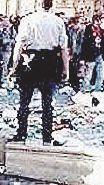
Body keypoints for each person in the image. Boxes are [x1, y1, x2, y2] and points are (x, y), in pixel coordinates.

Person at [9, 0, 68, 145]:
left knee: (24, 101)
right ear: (51, 5)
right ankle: (46, 137)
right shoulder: (58, 21)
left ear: (37, 5)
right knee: (48, 103)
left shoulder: (27, 20)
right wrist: (66, 69)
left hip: (30, 62)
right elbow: (63, 48)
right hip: (50, 63)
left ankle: (21, 133)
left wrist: (14, 66)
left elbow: (19, 45)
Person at [80, 19, 104, 92]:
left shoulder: (101, 31)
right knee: (88, 73)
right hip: (90, 55)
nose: (98, 23)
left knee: (101, 73)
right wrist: (83, 57)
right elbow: (84, 44)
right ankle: (86, 88)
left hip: (100, 54)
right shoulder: (88, 31)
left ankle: (97, 88)